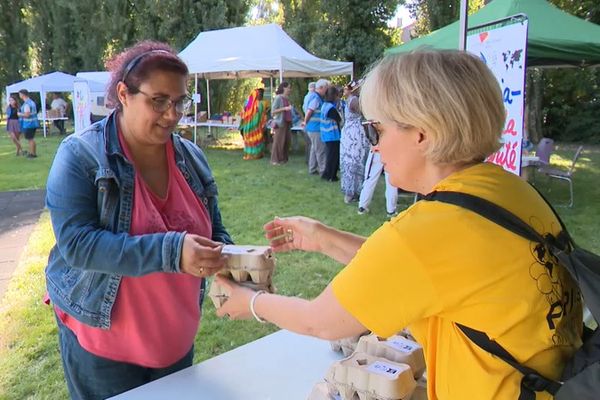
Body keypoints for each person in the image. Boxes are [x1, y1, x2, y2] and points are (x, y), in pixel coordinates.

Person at [214, 50, 582, 400]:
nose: (374, 146)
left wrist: (252, 302)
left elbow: (321, 321)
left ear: (421, 133)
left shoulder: (431, 230)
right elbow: (418, 273)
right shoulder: (506, 190)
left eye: (378, 131)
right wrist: (324, 238)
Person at [45, 41, 233, 400]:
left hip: (174, 342)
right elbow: (77, 244)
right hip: (104, 346)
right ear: (124, 94)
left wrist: (232, 260)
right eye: (159, 101)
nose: (172, 114)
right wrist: (172, 251)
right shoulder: (80, 154)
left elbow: (215, 227)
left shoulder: (190, 156)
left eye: (180, 101)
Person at [340, 80, 369, 204]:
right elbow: (365, 112)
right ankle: (351, 193)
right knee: (353, 161)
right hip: (354, 135)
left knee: (354, 161)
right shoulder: (355, 101)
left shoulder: (352, 99)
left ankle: (355, 191)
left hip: (352, 133)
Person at [357, 149, 398, 218]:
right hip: (391, 151)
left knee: (370, 180)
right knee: (391, 183)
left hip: (378, 151)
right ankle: (391, 211)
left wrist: (374, 143)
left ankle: (362, 207)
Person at [303, 79, 329, 175]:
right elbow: (310, 111)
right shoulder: (316, 98)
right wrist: (305, 122)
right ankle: (323, 170)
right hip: (315, 128)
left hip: (313, 127)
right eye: (326, 89)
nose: (326, 91)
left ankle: (312, 168)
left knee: (314, 149)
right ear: (321, 88)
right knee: (320, 150)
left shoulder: (313, 96)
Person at [320, 86, 341, 182]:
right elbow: (339, 119)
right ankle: (332, 175)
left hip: (326, 134)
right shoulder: (331, 108)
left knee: (329, 155)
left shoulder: (324, 105)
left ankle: (326, 174)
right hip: (333, 135)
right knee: (333, 156)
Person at [239, 88, 268, 160]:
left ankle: (256, 154)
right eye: (260, 94)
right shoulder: (255, 103)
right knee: (252, 140)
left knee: (255, 140)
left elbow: (264, 113)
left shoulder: (261, 103)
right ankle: (253, 155)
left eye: (262, 94)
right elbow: (244, 112)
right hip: (251, 126)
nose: (261, 96)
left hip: (254, 126)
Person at [270, 81, 293, 165]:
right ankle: (275, 160)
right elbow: (273, 111)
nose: (290, 89)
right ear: (284, 88)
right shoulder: (278, 98)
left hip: (287, 122)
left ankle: (283, 159)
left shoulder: (287, 98)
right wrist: (284, 108)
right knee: (278, 141)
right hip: (280, 123)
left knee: (286, 141)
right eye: (289, 87)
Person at [17, 89, 40, 158]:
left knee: (30, 139)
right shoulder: (31, 102)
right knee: (30, 138)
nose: (19, 96)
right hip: (33, 123)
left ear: (23, 94)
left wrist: (19, 114)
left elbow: (27, 114)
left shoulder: (27, 104)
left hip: (29, 123)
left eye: (20, 94)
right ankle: (31, 152)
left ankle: (33, 154)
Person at [300, 82, 316, 164]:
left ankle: (308, 160)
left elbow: (303, 108)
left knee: (308, 143)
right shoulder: (314, 96)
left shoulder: (306, 96)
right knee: (312, 143)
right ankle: (311, 161)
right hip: (312, 121)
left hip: (307, 120)